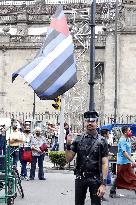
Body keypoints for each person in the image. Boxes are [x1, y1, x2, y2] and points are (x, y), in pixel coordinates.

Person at [65, 111, 109, 205]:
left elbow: (105, 163)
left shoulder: (102, 141)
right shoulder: (78, 139)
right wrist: (68, 145)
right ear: (84, 122)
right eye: (87, 120)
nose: (90, 123)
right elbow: (68, 159)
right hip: (81, 177)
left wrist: (103, 184)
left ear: (97, 123)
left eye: (93, 121)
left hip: (96, 178)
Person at [109, 125, 136, 198]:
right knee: (130, 177)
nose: (130, 132)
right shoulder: (122, 140)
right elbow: (124, 152)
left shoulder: (128, 139)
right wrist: (132, 161)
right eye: (129, 130)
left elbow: (130, 148)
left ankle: (112, 191)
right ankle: (112, 191)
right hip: (122, 163)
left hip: (126, 162)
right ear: (125, 132)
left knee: (121, 177)